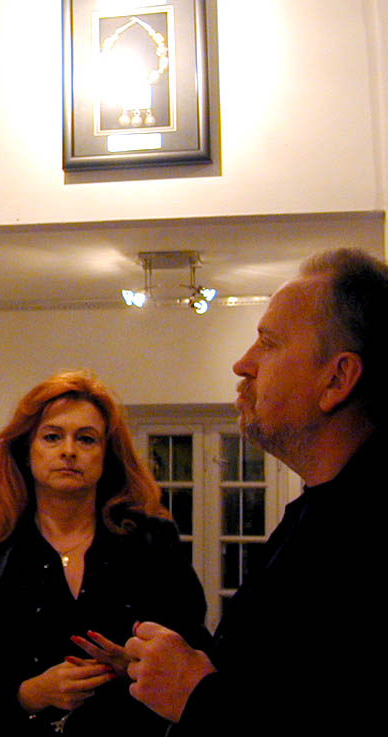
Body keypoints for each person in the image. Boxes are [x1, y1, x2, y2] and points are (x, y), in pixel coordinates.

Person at [124, 247, 387, 735]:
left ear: (337, 378)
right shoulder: (318, 511)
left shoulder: (369, 533)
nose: (243, 364)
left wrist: (196, 695)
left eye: (268, 343)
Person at [0, 371, 209, 736]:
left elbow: (195, 651)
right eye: (52, 436)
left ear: (107, 454)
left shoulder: (152, 541)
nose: (69, 451)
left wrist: (134, 666)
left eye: (86, 439)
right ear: (26, 450)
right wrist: (32, 693)